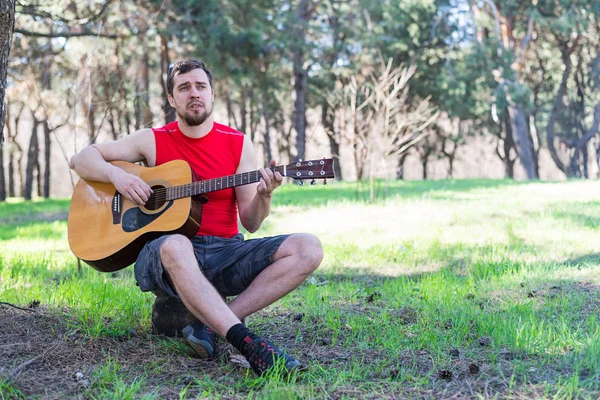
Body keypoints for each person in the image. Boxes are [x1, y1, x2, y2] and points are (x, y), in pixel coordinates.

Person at [69, 58, 323, 375]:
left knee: (308, 247)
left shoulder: (239, 144)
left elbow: (252, 222)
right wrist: (117, 177)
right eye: (184, 87)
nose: (194, 93)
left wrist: (264, 194)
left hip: (224, 252)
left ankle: (209, 324)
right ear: (172, 99)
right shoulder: (152, 139)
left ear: (212, 94)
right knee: (176, 243)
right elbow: (81, 159)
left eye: (201, 86)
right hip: (165, 257)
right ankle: (246, 342)